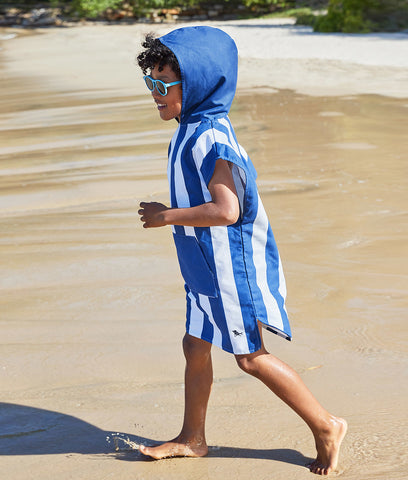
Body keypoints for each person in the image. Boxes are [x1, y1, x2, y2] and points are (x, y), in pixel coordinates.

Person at [136, 26, 347, 475]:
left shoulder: (212, 136)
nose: (154, 93)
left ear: (196, 85)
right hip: (201, 263)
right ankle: (193, 439)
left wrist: (165, 216)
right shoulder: (189, 125)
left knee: (250, 356)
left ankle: (327, 425)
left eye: (162, 85)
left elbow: (227, 211)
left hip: (231, 264)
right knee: (195, 344)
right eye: (149, 83)